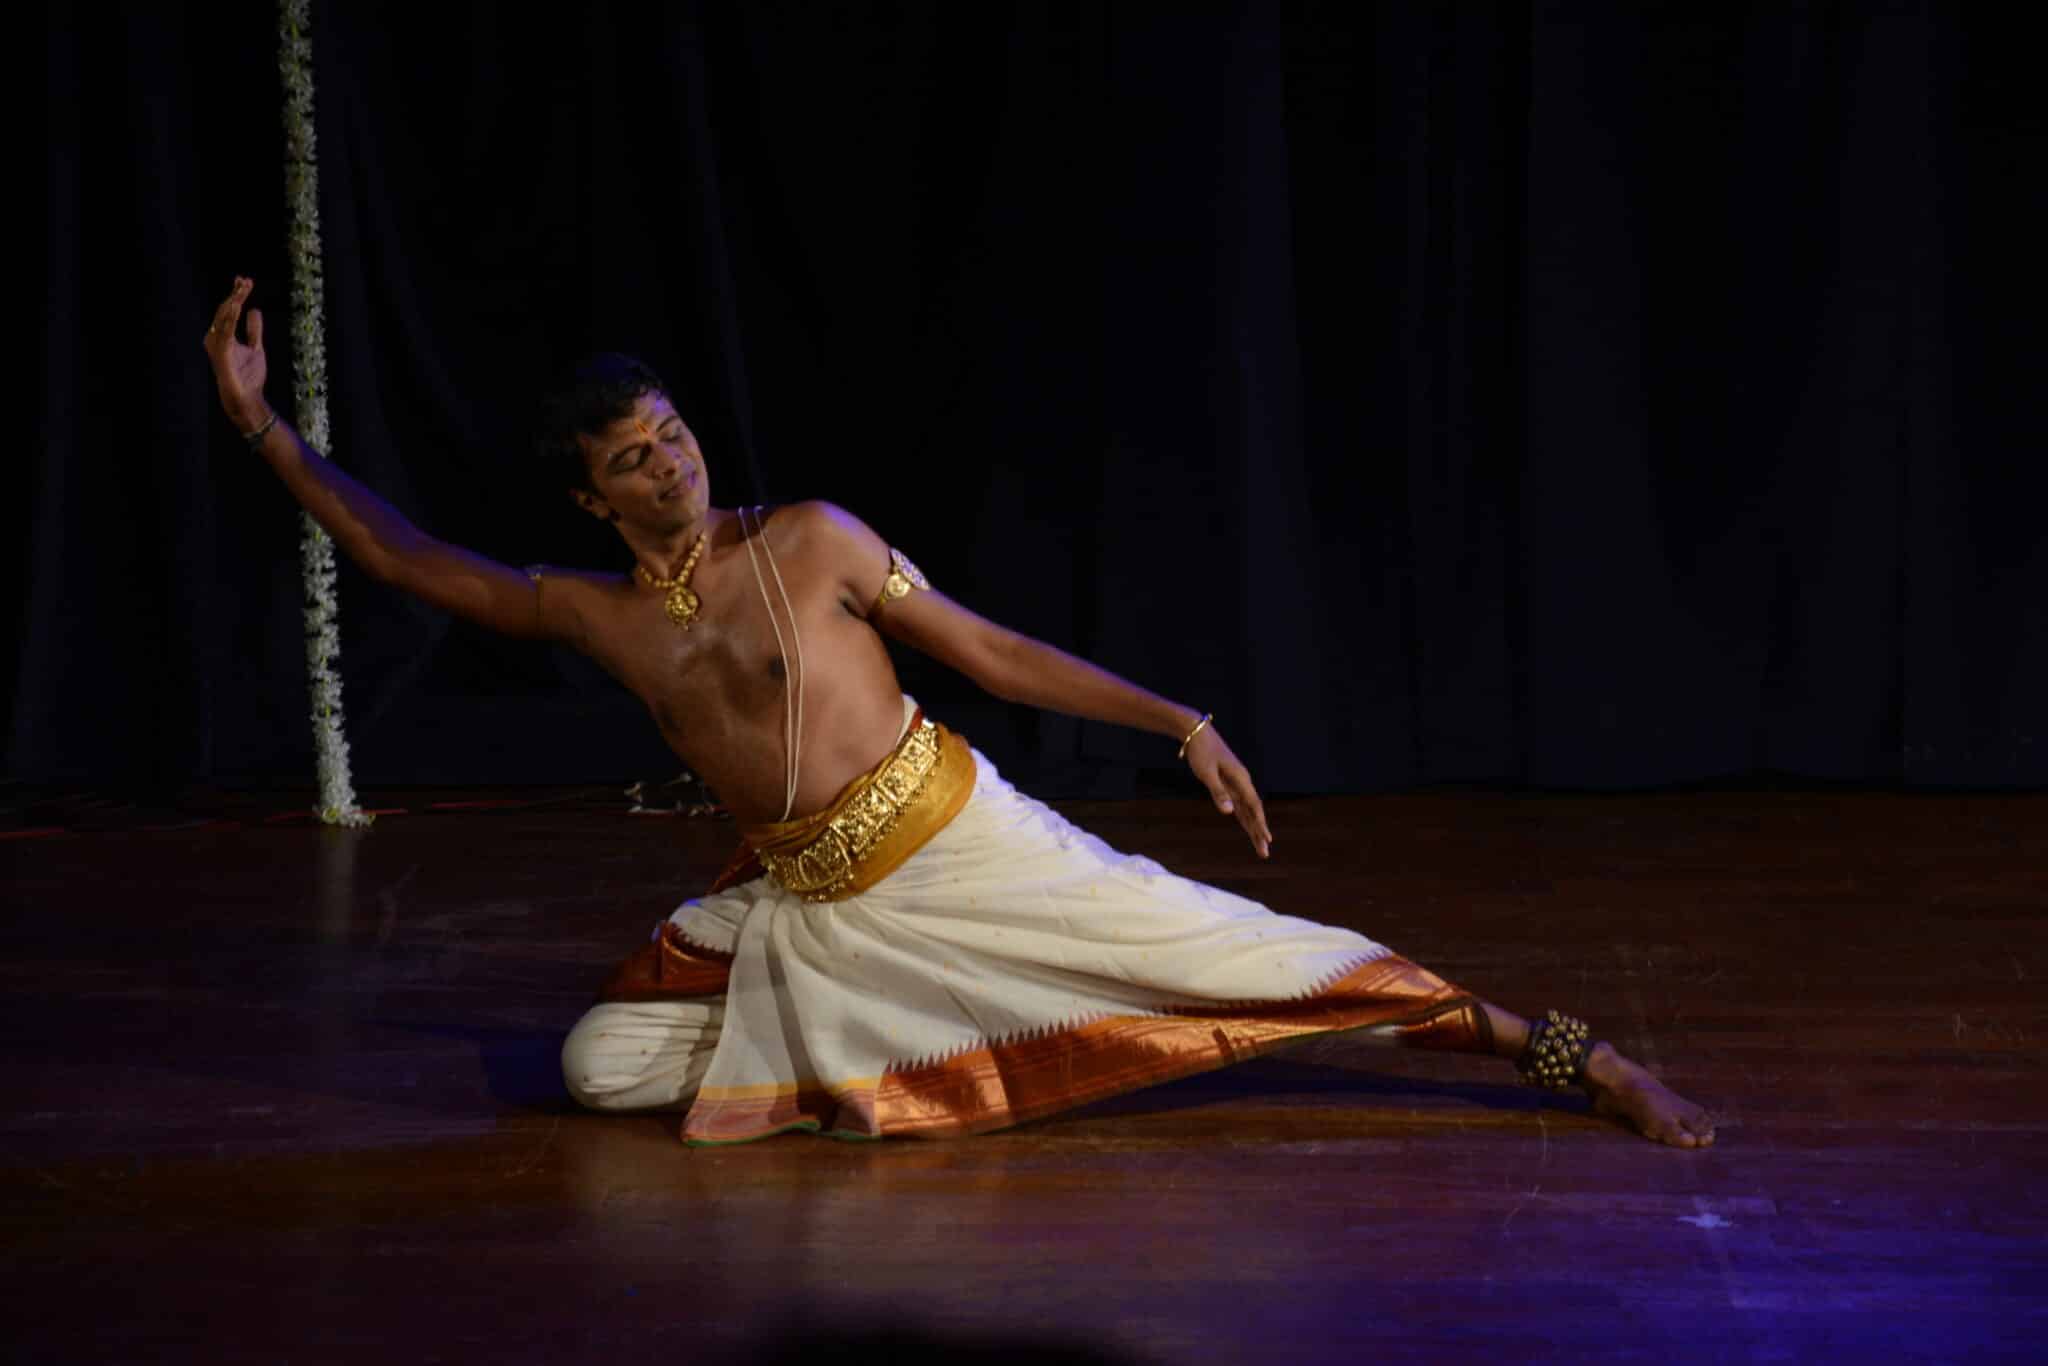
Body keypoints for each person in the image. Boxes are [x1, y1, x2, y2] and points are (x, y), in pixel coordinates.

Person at [203, 277, 1715, 1148]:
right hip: (806, 901)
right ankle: (856, 1044)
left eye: (672, 434)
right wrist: (262, 422)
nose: (672, 464)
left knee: (1238, 953)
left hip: (955, 838)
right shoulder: (590, 608)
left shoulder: (812, 540)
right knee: (600, 1070)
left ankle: (1556, 1049)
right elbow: (406, 556)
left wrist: (1180, 719)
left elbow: (988, 651)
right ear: (592, 497)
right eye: (635, 460)